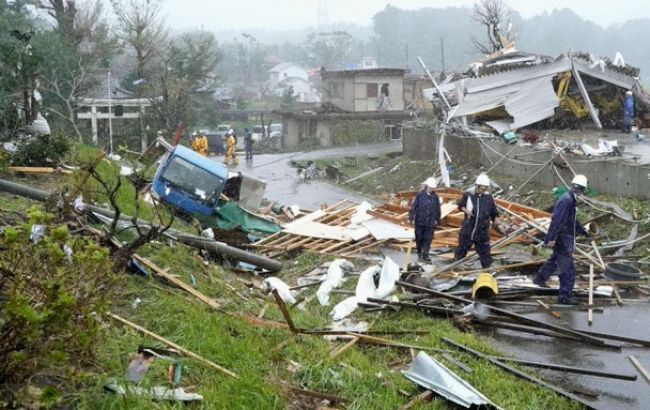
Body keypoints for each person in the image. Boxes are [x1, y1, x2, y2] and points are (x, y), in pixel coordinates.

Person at [534, 174, 590, 304]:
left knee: (554, 260)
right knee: (568, 270)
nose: (581, 193)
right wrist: (551, 238)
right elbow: (557, 220)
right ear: (580, 189)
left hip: (564, 238)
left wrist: (583, 231)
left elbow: (572, 220)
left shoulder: (570, 199)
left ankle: (539, 280)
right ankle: (564, 297)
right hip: (563, 239)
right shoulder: (567, 200)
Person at [454, 173, 498, 268]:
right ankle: (455, 266)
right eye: (482, 188)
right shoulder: (469, 195)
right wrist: (466, 211)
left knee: (485, 252)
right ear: (477, 186)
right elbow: (461, 205)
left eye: (486, 188)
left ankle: (487, 270)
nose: (484, 190)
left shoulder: (488, 197)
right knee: (462, 249)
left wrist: (496, 221)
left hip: (482, 230)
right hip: (469, 228)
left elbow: (494, 212)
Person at [408, 177, 441, 262]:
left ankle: (425, 255)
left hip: (430, 222)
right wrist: (411, 217)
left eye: (433, 188)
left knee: (428, 239)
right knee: (419, 239)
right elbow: (414, 207)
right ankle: (419, 253)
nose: (431, 189)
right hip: (420, 221)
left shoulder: (435, 197)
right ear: (427, 186)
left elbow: (437, 209)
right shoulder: (420, 195)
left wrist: (438, 219)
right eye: (430, 188)